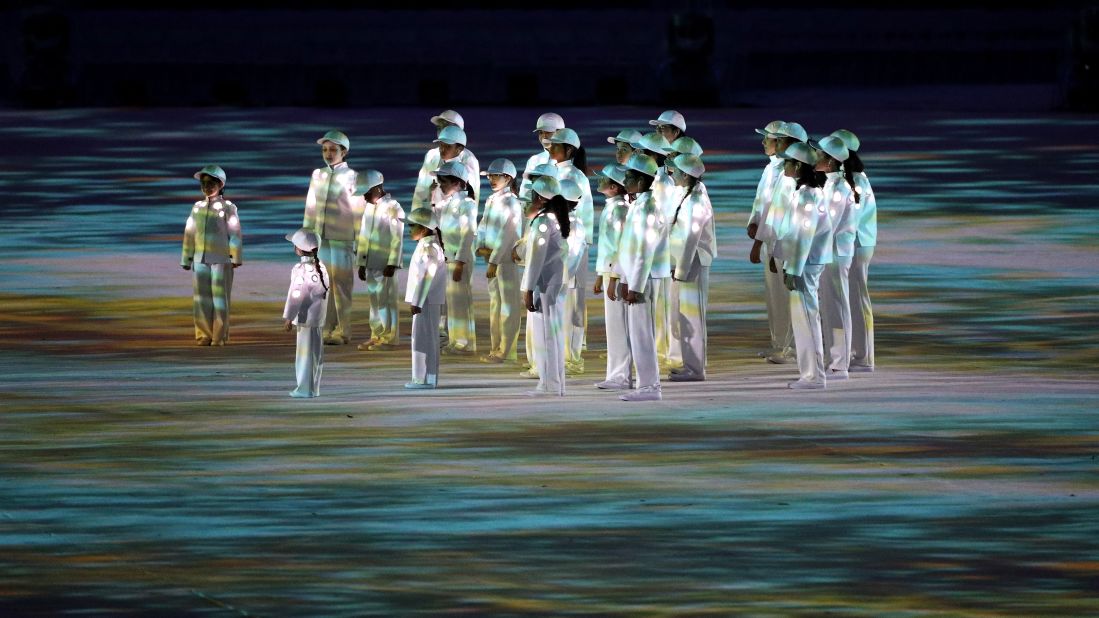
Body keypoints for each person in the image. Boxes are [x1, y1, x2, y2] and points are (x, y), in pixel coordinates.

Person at [749, 120, 806, 364]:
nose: (765, 142)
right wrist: (754, 223)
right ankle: (779, 343)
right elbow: (762, 203)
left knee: (787, 295)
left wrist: (762, 242)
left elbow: (780, 212)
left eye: (771, 139)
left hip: (783, 240)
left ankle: (790, 347)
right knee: (774, 296)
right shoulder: (772, 169)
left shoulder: (791, 173)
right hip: (771, 238)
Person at [778, 142, 832, 390]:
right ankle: (809, 373)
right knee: (804, 318)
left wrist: (793, 269)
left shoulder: (808, 194)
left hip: (806, 264)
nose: (784, 165)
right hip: (806, 262)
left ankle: (814, 376)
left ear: (798, 166)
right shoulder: (805, 191)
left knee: (807, 319)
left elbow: (803, 234)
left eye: (787, 162)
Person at [617, 152, 666, 402]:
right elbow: (629, 247)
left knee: (643, 334)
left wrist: (634, 285)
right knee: (637, 334)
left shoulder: (648, 207)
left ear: (641, 180)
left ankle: (650, 387)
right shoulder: (638, 204)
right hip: (637, 278)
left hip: (644, 279)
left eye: (628, 176)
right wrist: (624, 278)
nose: (624, 180)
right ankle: (644, 384)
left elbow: (644, 250)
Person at [302, 130, 358, 345]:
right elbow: (311, 206)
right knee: (323, 283)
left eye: (333, 150)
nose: (328, 153)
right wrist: (306, 237)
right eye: (325, 149)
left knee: (342, 284)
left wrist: (359, 241)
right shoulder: (318, 174)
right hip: (321, 236)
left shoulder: (352, 176)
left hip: (343, 237)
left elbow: (358, 209)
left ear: (344, 152)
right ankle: (326, 326)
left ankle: (344, 330)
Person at [545, 127, 593, 374]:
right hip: (561, 244)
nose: (550, 148)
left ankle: (572, 358)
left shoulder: (575, 177)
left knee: (573, 304)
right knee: (561, 303)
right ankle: (558, 354)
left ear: (569, 150)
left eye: (555, 145)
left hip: (573, 244)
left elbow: (581, 219)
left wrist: (571, 253)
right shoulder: (555, 172)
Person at [629, 132, 676, 370]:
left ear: (656, 156)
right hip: (649, 259)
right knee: (651, 313)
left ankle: (659, 357)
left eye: (644, 152)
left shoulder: (664, 184)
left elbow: (661, 223)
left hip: (656, 258)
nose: (639, 155)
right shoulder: (651, 183)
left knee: (658, 312)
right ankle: (650, 357)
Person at [181, 164, 242, 346]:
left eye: (211, 183)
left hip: (221, 259)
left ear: (220, 184)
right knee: (201, 299)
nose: (207, 187)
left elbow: (235, 234)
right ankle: (203, 335)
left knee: (220, 299)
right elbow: (189, 234)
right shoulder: (197, 208)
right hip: (200, 259)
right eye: (204, 183)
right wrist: (186, 258)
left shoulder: (228, 208)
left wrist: (235, 257)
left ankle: (219, 335)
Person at [832, 129, 877, 373]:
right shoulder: (850, 177)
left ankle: (863, 356)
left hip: (858, 244)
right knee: (853, 298)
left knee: (857, 298)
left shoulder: (856, 180)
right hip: (856, 243)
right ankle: (857, 353)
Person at [812, 136, 856, 380]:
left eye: (819, 154)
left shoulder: (839, 188)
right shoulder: (830, 184)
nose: (814, 157)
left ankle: (840, 363)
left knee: (837, 307)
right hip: (829, 252)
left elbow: (829, 224)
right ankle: (834, 358)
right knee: (829, 307)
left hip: (836, 254)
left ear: (829, 161)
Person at [667, 154, 715, 382]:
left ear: (685, 174)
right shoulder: (686, 195)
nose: (671, 172)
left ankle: (695, 369)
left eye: (675, 170)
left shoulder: (696, 201)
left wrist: (680, 270)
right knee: (682, 315)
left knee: (692, 317)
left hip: (692, 263)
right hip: (684, 263)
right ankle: (690, 364)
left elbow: (690, 239)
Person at [520, 176, 568, 397]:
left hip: (546, 285)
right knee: (554, 335)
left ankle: (549, 385)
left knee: (547, 335)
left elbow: (536, 259)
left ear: (539, 197)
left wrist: (528, 288)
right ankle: (555, 383)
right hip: (555, 283)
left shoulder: (542, 222)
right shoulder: (556, 218)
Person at [476, 158, 524, 364]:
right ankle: (496, 348)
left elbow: (508, 234)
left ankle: (507, 350)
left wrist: (494, 259)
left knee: (508, 307)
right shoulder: (491, 200)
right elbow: (483, 225)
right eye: (490, 176)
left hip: (505, 261)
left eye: (497, 176)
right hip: (491, 259)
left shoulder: (512, 202)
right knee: (496, 305)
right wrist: (480, 246)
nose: (492, 180)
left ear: (509, 178)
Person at [354, 169, 404, 351]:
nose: (364, 196)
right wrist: (361, 262)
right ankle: (376, 335)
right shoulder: (369, 207)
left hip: (384, 265)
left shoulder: (393, 207)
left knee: (387, 302)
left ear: (378, 188)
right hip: (370, 263)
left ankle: (389, 338)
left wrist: (393, 262)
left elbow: (397, 237)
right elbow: (363, 236)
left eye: (366, 192)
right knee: (374, 303)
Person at [593, 164, 633, 390]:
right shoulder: (611, 207)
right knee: (613, 326)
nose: (599, 181)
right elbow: (605, 248)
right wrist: (601, 275)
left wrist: (615, 277)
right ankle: (614, 373)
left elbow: (620, 247)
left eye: (604, 179)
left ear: (615, 187)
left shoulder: (619, 210)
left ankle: (621, 376)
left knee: (619, 325)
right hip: (609, 272)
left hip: (616, 274)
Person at [434, 160, 478, 355]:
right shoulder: (449, 203)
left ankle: (464, 343)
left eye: (445, 181)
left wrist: (460, 261)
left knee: (460, 301)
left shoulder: (466, 204)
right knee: (452, 302)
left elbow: (468, 232)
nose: (441, 185)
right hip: (449, 258)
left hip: (459, 259)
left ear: (459, 182)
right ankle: (455, 340)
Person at [404, 208, 448, 390]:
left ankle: (424, 378)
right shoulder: (427, 245)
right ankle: (424, 377)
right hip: (427, 301)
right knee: (423, 338)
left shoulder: (429, 248)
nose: (409, 229)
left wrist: (417, 302)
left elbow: (425, 277)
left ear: (423, 228)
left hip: (426, 302)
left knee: (424, 339)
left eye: (412, 226)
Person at [282, 228, 329, 398]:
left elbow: (296, 294)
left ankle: (304, 389)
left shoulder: (301, 269)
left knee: (304, 354)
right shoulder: (320, 266)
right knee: (315, 354)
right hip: (317, 318)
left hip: (305, 318)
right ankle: (313, 387)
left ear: (299, 249)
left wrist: (289, 317)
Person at [558, 178, 587, 375]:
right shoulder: (565, 220)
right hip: (563, 278)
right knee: (564, 320)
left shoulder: (575, 224)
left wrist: (561, 278)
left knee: (573, 319)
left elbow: (573, 256)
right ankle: (563, 357)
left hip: (570, 279)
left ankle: (572, 359)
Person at [410, 109, 466, 211]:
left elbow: (471, 194)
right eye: (439, 127)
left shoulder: (468, 159)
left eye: (445, 127)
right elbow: (421, 189)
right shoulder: (431, 155)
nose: (441, 131)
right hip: (430, 217)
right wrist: (416, 219)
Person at [520, 112, 565, 201]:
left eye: (548, 132)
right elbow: (525, 191)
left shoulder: (570, 161)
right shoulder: (534, 160)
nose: (544, 136)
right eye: (541, 132)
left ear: (561, 133)